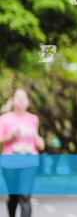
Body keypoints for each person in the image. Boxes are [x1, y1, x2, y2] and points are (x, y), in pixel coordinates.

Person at [0, 89, 44, 217]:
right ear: (12, 101)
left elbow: (36, 138)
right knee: (13, 197)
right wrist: (11, 136)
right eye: (18, 97)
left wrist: (39, 141)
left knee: (24, 196)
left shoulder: (33, 119)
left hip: (29, 161)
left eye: (24, 97)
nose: (21, 100)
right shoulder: (4, 119)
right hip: (10, 163)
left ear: (28, 102)